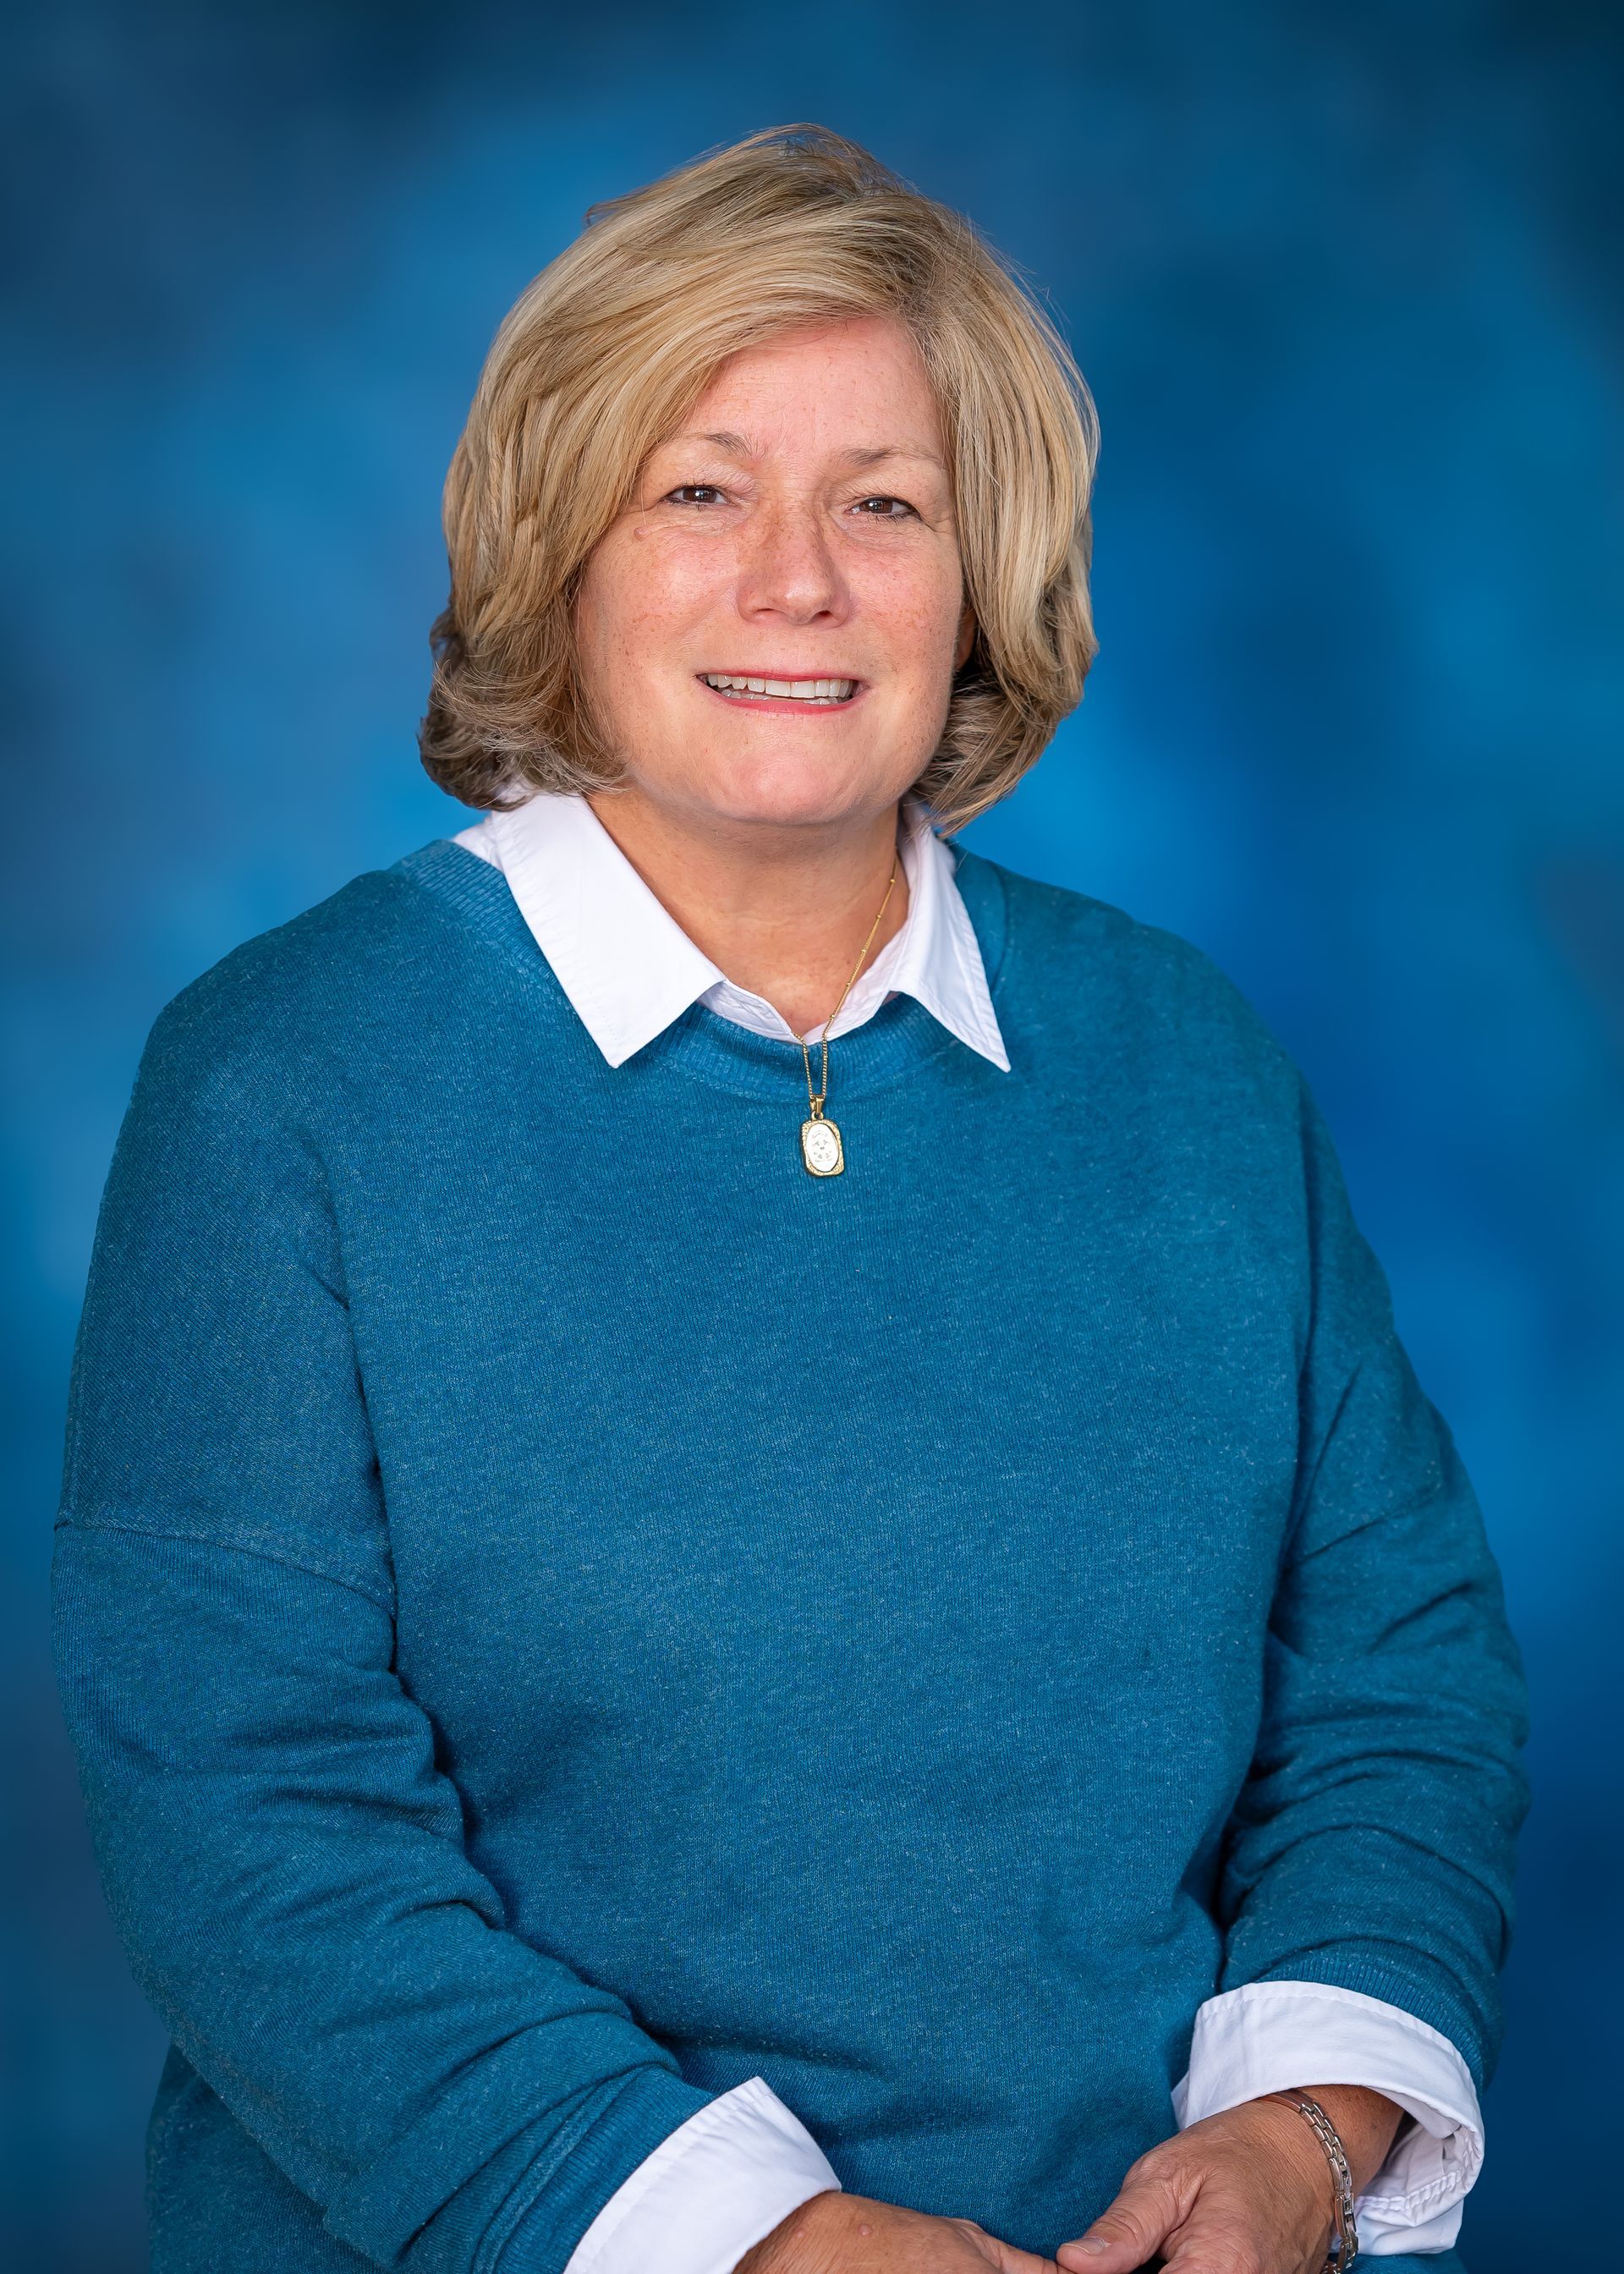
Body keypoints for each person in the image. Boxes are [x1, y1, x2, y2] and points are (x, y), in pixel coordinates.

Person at [52, 124, 1528, 2274]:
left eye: (886, 504)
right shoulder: (282, 1081)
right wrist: (760, 2241)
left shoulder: (1186, 1067)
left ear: (980, 573)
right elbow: (249, 1828)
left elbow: (1394, 1675)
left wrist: (1307, 2131)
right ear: (562, 547)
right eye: (700, 491)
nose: (799, 585)